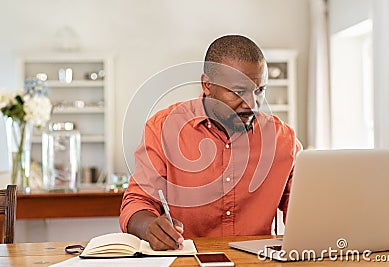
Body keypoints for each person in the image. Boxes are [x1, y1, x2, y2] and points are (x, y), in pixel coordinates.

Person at [120, 35, 302, 251]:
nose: (252, 104)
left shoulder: (284, 141)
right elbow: (137, 202)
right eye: (238, 92)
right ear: (207, 84)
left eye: (259, 90)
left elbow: (305, 215)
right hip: (186, 261)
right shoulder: (163, 128)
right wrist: (149, 227)